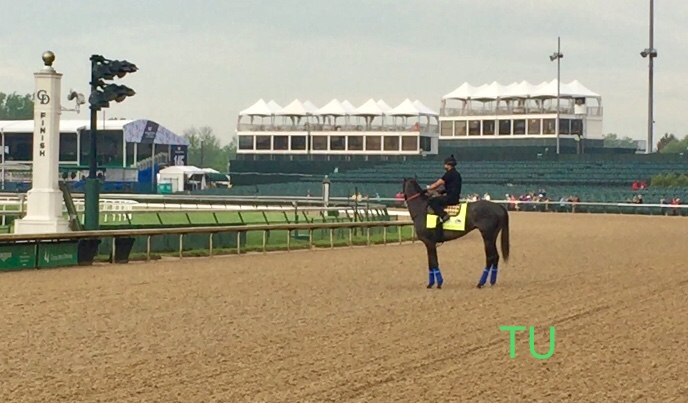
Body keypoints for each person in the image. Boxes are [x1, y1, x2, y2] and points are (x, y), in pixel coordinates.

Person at [425, 155, 462, 223]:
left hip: (450, 198)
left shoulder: (449, 174)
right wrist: (441, 192)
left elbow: (436, 184)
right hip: (455, 197)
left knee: (432, 201)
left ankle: (444, 215)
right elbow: (452, 187)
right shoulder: (457, 174)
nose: (444, 166)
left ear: (448, 165)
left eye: (445, 164)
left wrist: (427, 188)